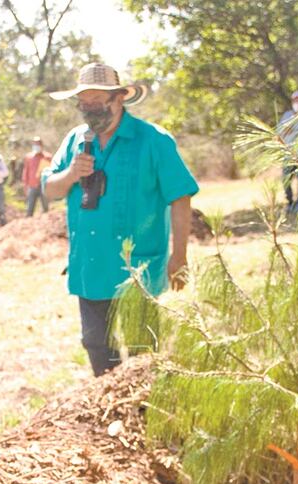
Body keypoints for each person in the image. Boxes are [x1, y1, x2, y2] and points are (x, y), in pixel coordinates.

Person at [43, 63, 199, 376]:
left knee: (143, 352)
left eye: (98, 103)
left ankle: (144, 414)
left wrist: (179, 256)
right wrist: (72, 173)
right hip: (90, 269)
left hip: (137, 272)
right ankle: (112, 415)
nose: (91, 111)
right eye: (84, 104)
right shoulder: (75, 140)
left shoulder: (154, 140)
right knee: (97, 348)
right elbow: (49, 189)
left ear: (119, 99)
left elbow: (180, 198)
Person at [277, 90, 298, 212]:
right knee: (286, 180)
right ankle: (290, 203)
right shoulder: (286, 116)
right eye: (295, 101)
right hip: (288, 154)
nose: (297, 103)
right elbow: (279, 132)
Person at [22, 136, 51, 216]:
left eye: (38, 144)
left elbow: (51, 171)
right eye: (35, 144)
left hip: (44, 185)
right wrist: (25, 184)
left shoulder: (47, 157)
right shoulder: (29, 157)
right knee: (29, 208)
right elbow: (26, 171)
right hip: (32, 186)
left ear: (42, 145)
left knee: (46, 209)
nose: (36, 146)